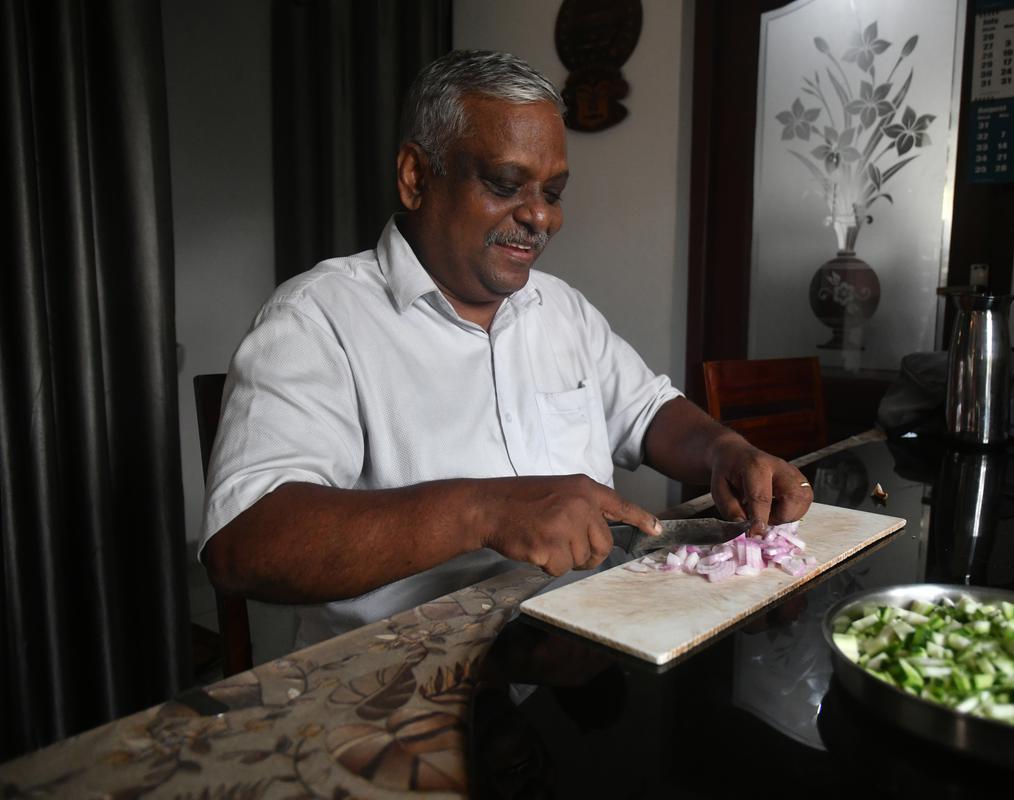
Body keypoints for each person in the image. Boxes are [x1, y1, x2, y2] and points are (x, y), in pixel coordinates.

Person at [200, 49, 813, 648]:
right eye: (505, 184)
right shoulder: (317, 319)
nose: (540, 218)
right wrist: (484, 511)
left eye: (553, 192)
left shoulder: (561, 308)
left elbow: (647, 412)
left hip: (579, 655)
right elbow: (244, 543)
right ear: (416, 177)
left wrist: (724, 449)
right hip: (404, 682)